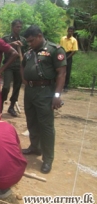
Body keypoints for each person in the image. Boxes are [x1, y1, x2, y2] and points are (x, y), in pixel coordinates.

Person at [20, 25, 66, 174]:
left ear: (40, 36)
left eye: (32, 40)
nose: (29, 43)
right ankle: (35, 147)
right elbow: (22, 66)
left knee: (46, 126)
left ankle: (48, 159)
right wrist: (24, 80)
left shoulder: (54, 50)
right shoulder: (29, 53)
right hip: (30, 91)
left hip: (45, 91)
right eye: (28, 41)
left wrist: (57, 96)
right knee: (31, 121)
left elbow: (61, 74)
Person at [1, 19, 27, 117]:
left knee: (17, 87)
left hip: (19, 67)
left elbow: (25, 53)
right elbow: (0, 47)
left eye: (20, 27)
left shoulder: (23, 40)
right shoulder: (6, 38)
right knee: (6, 86)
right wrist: (11, 44)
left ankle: (11, 106)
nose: (19, 28)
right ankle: (0, 104)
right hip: (8, 66)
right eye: (17, 27)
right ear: (12, 27)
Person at [60, 26, 78, 92]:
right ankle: (59, 84)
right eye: (69, 31)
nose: (70, 32)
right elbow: (60, 47)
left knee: (67, 71)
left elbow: (74, 51)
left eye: (72, 31)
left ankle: (66, 86)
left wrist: (67, 58)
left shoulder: (74, 40)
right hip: (62, 54)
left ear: (73, 32)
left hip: (69, 55)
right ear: (67, 31)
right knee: (60, 69)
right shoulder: (62, 38)